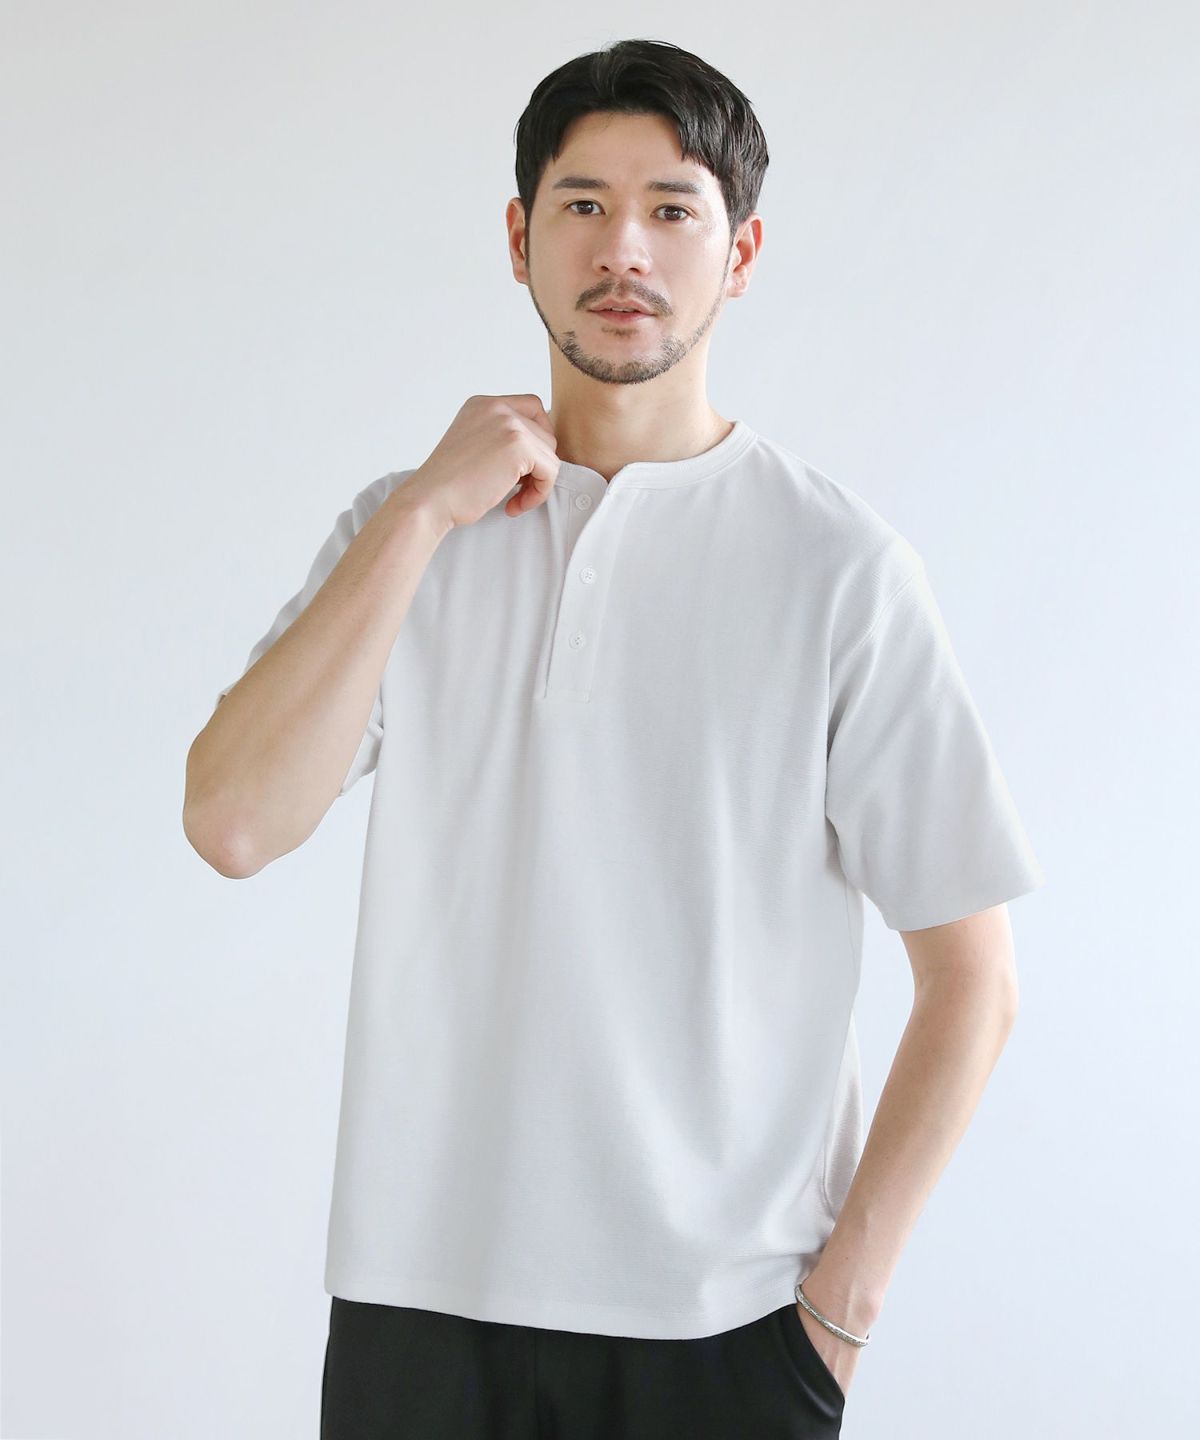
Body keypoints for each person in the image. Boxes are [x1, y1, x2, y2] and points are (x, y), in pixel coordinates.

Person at [184, 37, 1046, 1439]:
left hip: (723, 1329)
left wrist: (837, 1314)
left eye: (672, 209)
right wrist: (423, 512)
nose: (623, 248)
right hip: (416, 1306)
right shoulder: (408, 533)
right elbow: (232, 824)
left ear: (740, 252)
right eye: (581, 204)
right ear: (519, 238)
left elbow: (974, 978)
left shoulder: (837, 567)